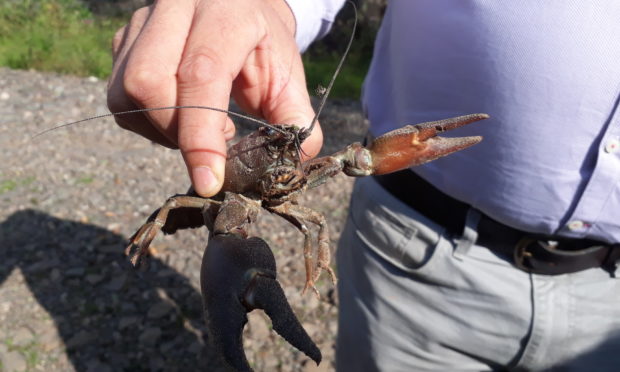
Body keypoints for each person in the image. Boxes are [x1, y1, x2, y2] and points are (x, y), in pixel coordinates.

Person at [107, 0, 620, 371]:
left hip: (609, 300)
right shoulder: (238, 189)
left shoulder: (290, 156)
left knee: (315, 219)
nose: (288, 148)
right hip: (412, 256)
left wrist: (318, 250)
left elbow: (332, 194)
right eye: (278, 145)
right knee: (178, 202)